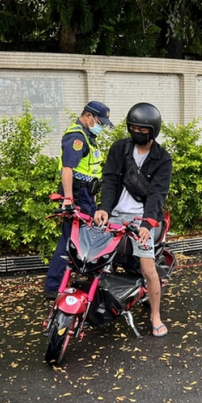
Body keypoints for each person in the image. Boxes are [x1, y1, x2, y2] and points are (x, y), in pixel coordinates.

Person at [93, 102, 173, 337]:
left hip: (142, 218)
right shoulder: (119, 149)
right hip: (116, 214)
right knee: (93, 257)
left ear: (153, 130)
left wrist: (148, 223)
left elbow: (158, 194)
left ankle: (155, 315)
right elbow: (109, 181)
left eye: (142, 129)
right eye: (132, 128)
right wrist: (104, 208)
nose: (136, 132)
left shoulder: (162, 159)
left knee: (148, 268)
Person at [44, 101, 113, 298]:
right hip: (77, 195)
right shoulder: (77, 137)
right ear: (89, 116)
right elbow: (68, 169)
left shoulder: (89, 136)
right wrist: (68, 199)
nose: (101, 126)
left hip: (86, 195)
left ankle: (73, 280)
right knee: (70, 240)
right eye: (100, 121)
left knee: (85, 239)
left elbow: (90, 169)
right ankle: (54, 286)